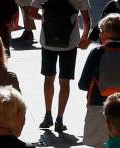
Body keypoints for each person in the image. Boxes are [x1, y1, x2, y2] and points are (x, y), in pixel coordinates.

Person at [78, 13, 120, 148]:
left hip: (98, 107)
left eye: (101, 31)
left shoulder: (96, 53)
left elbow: (82, 84)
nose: (100, 35)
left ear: (106, 34)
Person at [31, 0, 91, 132]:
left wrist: (45, 18)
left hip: (47, 41)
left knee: (48, 79)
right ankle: (59, 119)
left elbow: (31, 13)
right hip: (70, 43)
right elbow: (86, 19)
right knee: (65, 82)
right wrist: (85, 36)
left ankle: (48, 115)